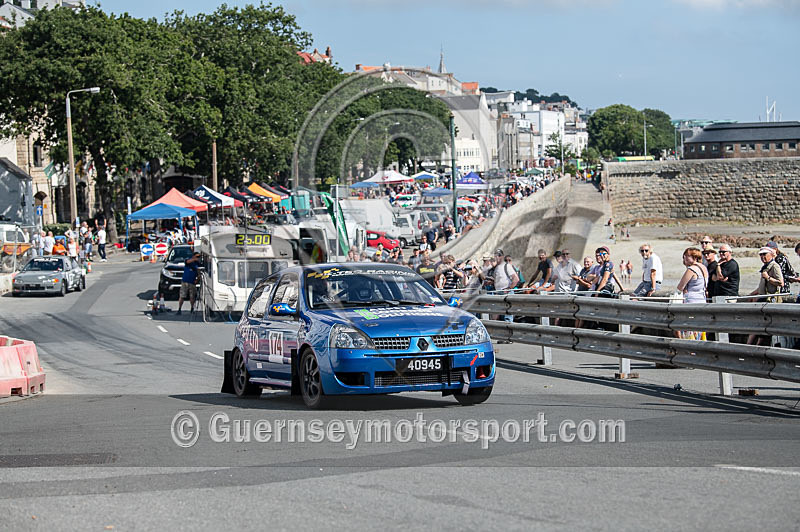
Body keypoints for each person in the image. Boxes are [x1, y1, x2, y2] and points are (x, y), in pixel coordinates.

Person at [747, 247, 784, 344]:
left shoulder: (774, 266)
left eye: (765, 254)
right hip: (763, 298)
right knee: (759, 326)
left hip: (770, 300)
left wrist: (768, 278)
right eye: (761, 255)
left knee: (765, 327)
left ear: (771, 255)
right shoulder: (765, 267)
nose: (762, 257)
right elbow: (761, 287)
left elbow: (781, 283)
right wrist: (752, 294)